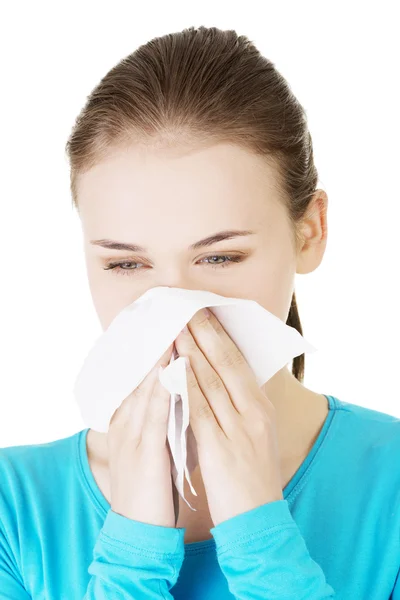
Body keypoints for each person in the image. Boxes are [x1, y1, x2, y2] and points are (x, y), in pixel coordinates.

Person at [1, 25, 399, 600]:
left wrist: (261, 539)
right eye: (126, 265)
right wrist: (133, 547)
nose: (175, 309)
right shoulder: (16, 509)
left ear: (310, 232)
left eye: (220, 257)